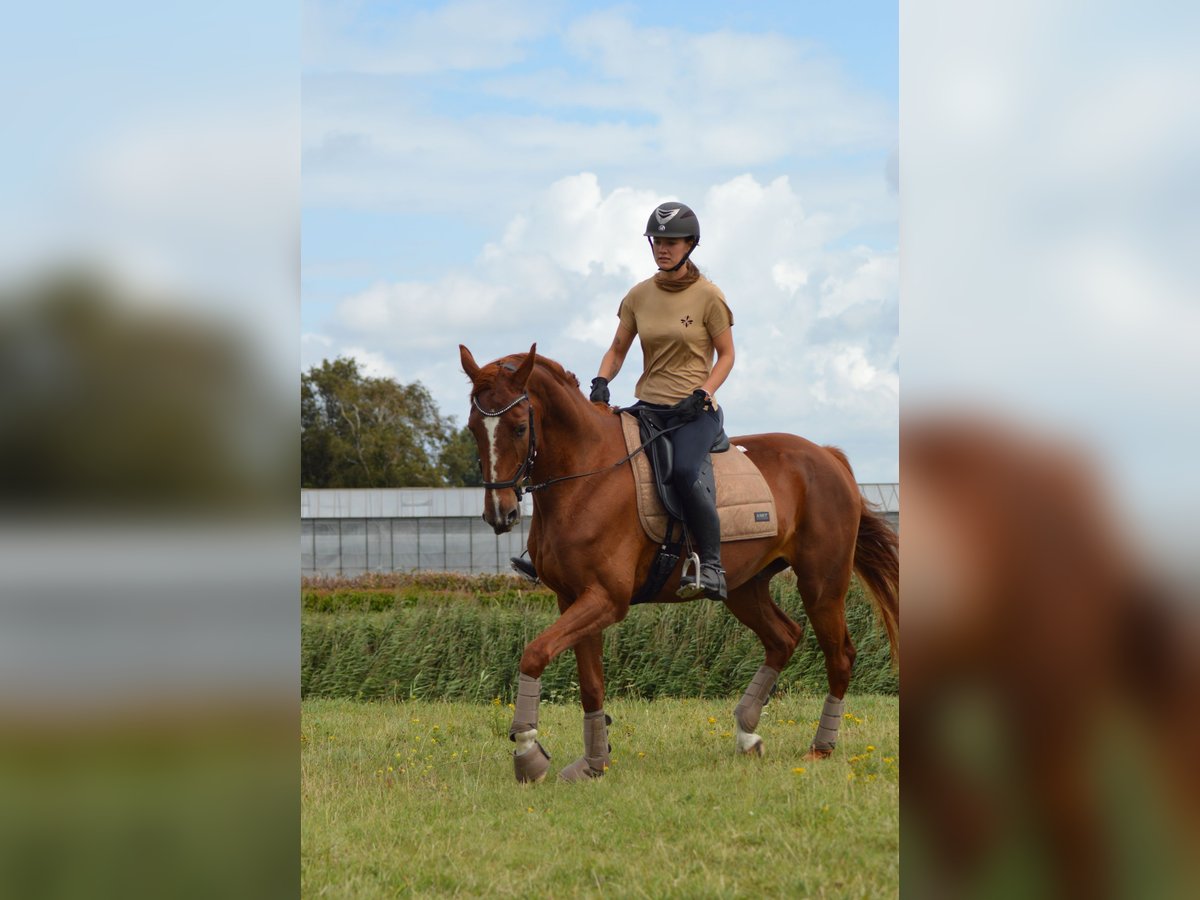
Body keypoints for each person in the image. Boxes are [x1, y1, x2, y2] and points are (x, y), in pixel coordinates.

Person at [589, 201, 735, 601]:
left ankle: (713, 567)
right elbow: (618, 349)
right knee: (597, 461)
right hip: (648, 409)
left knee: (686, 473)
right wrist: (602, 379)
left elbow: (727, 356)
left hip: (693, 413)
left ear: (691, 244)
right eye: (657, 241)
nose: (662, 248)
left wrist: (705, 392)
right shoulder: (638, 295)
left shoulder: (709, 297)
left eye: (671, 241)